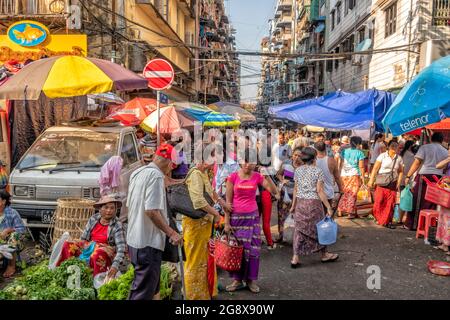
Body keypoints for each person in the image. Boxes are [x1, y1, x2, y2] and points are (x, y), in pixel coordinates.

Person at [127, 144, 182, 300]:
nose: (171, 169)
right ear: (170, 163)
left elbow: (131, 206)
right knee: (142, 294)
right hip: (147, 243)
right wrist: (172, 233)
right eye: (172, 166)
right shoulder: (156, 176)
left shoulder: (137, 172)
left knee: (153, 289)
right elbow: (151, 210)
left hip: (134, 241)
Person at [224, 151, 279, 294]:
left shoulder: (258, 177)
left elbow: (275, 191)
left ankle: (250, 280)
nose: (248, 165)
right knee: (237, 251)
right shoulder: (233, 177)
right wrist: (226, 222)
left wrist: (267, 176)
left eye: (252, 162)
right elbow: (228, 202)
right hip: (236, 219)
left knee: (253, 251)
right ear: (241, 161)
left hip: (252, 219)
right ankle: (237, 280)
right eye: (246, 161)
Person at [183, 156, 227, 300]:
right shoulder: (195, 174)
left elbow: (211, 192)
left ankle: (206, 292)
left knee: (205, 260)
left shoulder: (203, 173)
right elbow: (198, 201)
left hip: (203, 225)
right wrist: (216, 213)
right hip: (195, 226)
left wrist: (221, 203)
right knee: (195, 261)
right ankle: (193, 296)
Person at [289, 147, 339, 268]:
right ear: (314, 158)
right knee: (318, 229)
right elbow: (320, 191)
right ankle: (324, 254)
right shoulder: (318, 171)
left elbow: (296, 189)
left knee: (299, 230)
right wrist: (328, 207)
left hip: (301, 204)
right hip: (314, 204)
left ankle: (295, 257)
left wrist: (293, 205)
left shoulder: (298, 171)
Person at [57, 195, 126, 277]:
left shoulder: (117, 225)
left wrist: (115, 266)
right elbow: (83, 238)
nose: (109, 210)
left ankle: (96, 279)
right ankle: (65, 274)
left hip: (105, 252)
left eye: (112, 208)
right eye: (106, 207)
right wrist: (78, 243)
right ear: (100, 209)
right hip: (89, 247)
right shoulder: (94, 219)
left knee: (97, 253)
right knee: (68, 245)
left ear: (115, 210)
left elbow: (121, 248)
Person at [404, 132, 448, 230]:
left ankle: (413, 225)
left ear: (431, 139)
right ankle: (428, 227)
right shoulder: (445, 151)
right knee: (432, 202)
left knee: (417, 200)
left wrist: (408, 176)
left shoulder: (425, 147)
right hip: (438, 178)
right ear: (441, 140)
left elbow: (416, 163)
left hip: (424, 176)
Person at [368, 141, 404, 228]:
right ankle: (379, 218)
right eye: (392, 146)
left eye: (396, 146)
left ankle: (387, 221)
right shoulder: (382, 156)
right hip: (381, 182)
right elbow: (375, 168)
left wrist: (398, 183)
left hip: (392, 183)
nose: (394, 148)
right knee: (379, 201)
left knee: (390, 203)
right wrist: (371, 180)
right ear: (389, 147)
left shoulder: (399, 158)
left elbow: (401, 172)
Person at [275, 147, 303, 243]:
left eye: (299, 156)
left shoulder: (304, 167)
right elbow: (278, 174)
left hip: (298, 195)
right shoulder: (286, 163)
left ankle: (294, 236)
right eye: (295, 155)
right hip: (284, 193)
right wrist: (282, 180)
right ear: (292, 155)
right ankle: (281, 235)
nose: (297, 157)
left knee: (296, 216)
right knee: (282, 215)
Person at [338, 136, 366, 218]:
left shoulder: (344, 151)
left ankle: (340, 210)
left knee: (344, 192)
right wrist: (363, 178)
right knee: (353, 194)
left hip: (344, 174)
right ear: (358, 144)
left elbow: (341, 164)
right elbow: (361, 167)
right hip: (354, 175)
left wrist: (339, 173)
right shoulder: (360, 153)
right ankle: (350, 212)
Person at [0, 190, 25, 278]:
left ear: (3, 201)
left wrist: (8, 230)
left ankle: (11, 266)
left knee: (14, 236)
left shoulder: (12, 213)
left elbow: (22, 230)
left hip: (11, 243)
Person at [315, 141, 343, 210]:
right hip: (327, 193)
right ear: (325, 149)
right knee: (326, 216)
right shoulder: (331, 161)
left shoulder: (312, 161)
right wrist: (341, 189)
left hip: (315, 193)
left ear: (315, 149)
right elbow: (337, 177)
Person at [398, 140, 417, 225]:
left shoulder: (401, 153)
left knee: (401, 198)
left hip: (400, 178)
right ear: (411, 146)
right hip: (408, 179)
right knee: (406, 199)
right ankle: (403, 219)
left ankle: (399, 218)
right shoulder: (412, 156)